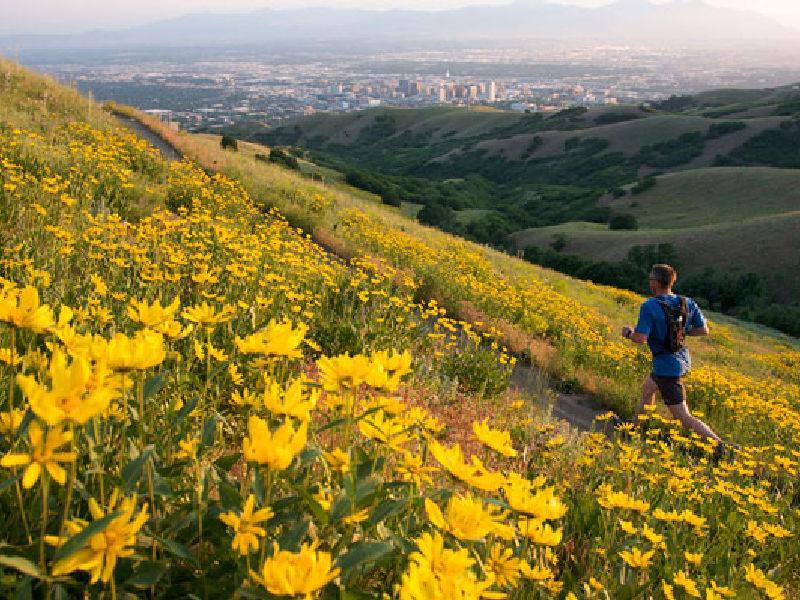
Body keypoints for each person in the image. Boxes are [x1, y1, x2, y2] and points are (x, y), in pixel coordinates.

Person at [620, 264, 727, 450]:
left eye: (650, 279)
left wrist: (628, 333)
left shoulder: (649, 306)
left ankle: (721, 446)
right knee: (648, 390)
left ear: (655, 283)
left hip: (666, 366)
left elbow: (640, 338)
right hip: (681, 360)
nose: (649, 282)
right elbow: (703, 330)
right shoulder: (687, 302)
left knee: (684, 416)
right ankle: (634, 428)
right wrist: (679, 333)